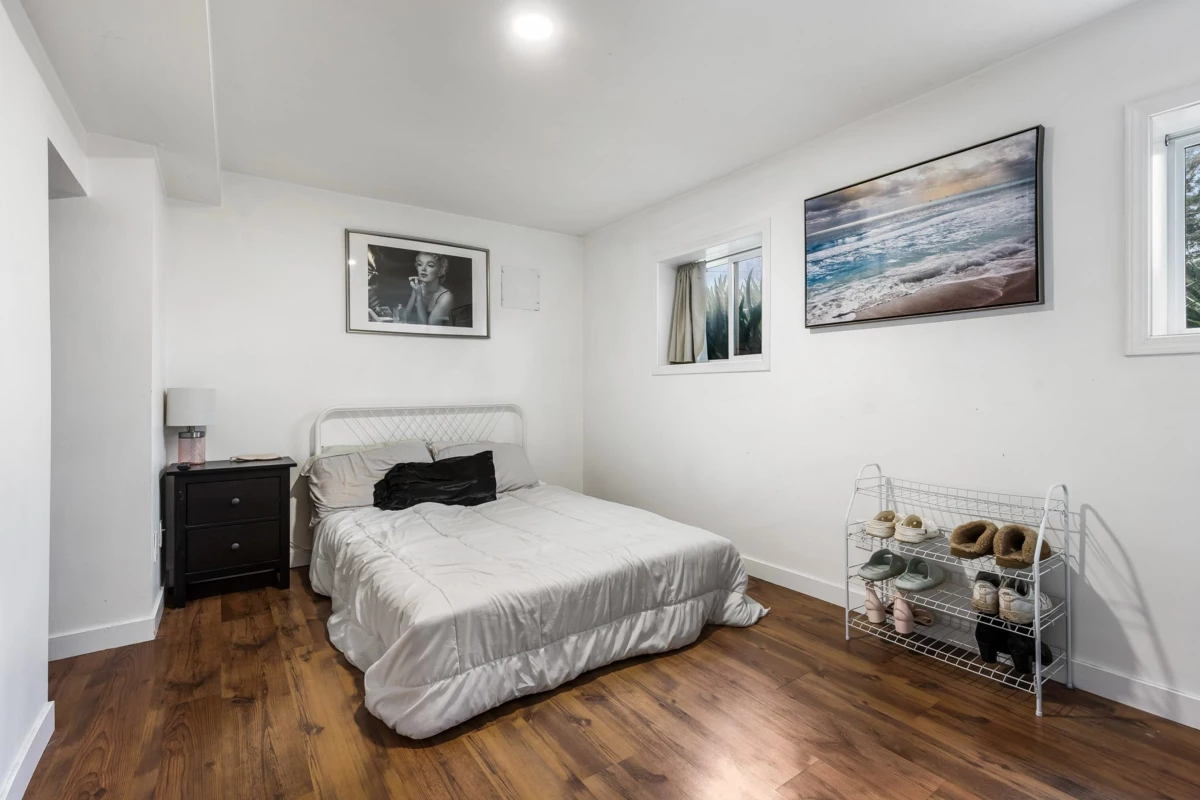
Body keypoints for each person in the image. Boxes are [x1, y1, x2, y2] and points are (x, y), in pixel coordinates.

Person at [401, 251, 454, 325]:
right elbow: (404, 317)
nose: (423, 268)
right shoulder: (417, 288)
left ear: (440, 271)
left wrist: (419, 297)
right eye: (420, 264)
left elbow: (428, 330)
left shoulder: (446, 297)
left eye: (430, 265)